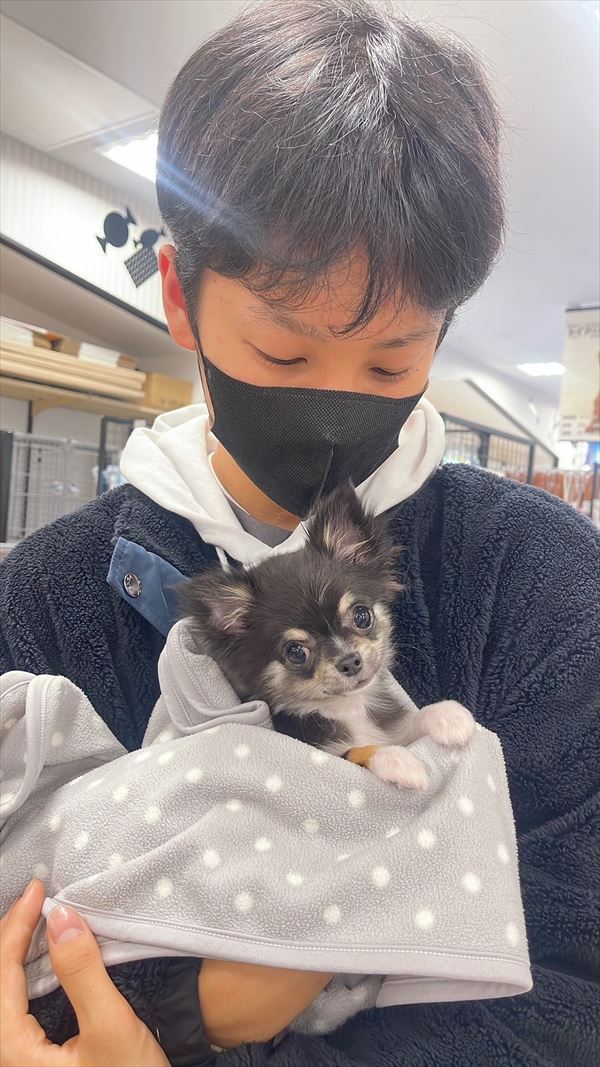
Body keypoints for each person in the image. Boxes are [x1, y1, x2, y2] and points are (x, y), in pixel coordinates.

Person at [1, 1, 598, 1065]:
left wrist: (204, 1027)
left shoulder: (542, 580)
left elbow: (571, 986)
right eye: (282, 355)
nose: (332, 408)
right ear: (179, 297)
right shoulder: (47, 596)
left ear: (443, 333)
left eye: (391, 361)